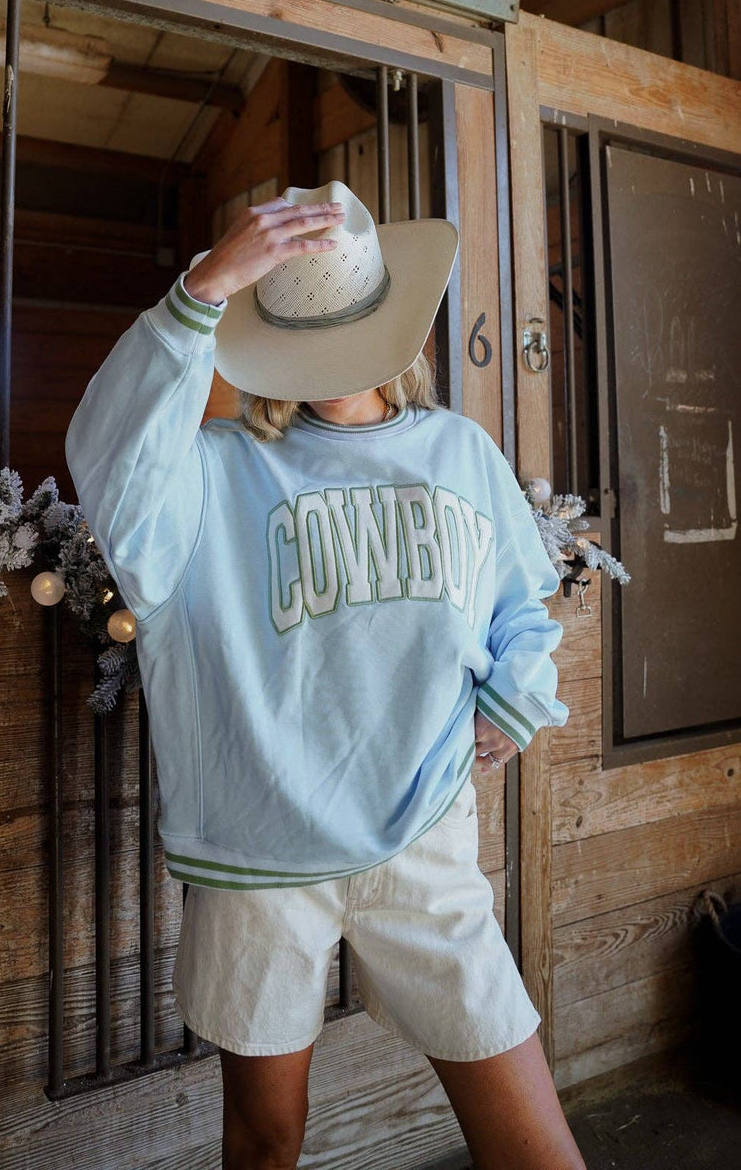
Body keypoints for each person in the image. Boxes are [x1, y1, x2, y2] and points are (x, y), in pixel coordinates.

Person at [64, 182, 585, 1170]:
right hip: (258, 857)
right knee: (264, 1143)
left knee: (531, 1138)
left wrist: (514, 698)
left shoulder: (457, 453)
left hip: (425, 835)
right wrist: (204, 287)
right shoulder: (209, 473)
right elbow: (110, 461)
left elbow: (522, 600)